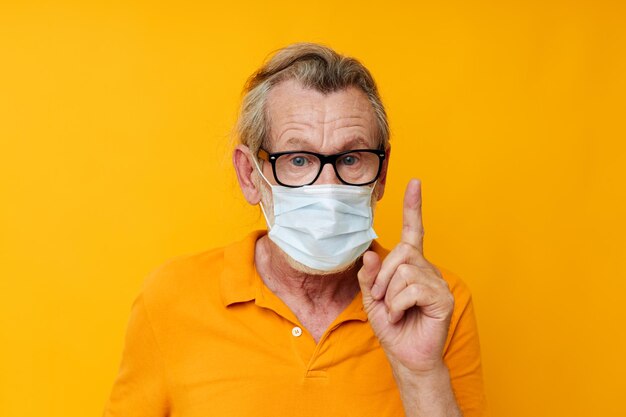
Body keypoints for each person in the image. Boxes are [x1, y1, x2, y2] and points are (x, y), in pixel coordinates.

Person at [103, 43, 486, 417]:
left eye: (351, 158)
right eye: (298, 159)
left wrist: (421, 374)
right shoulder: (171, 298)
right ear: (250, 175)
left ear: (381, 174)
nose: (329, 188)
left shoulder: (433, 304)